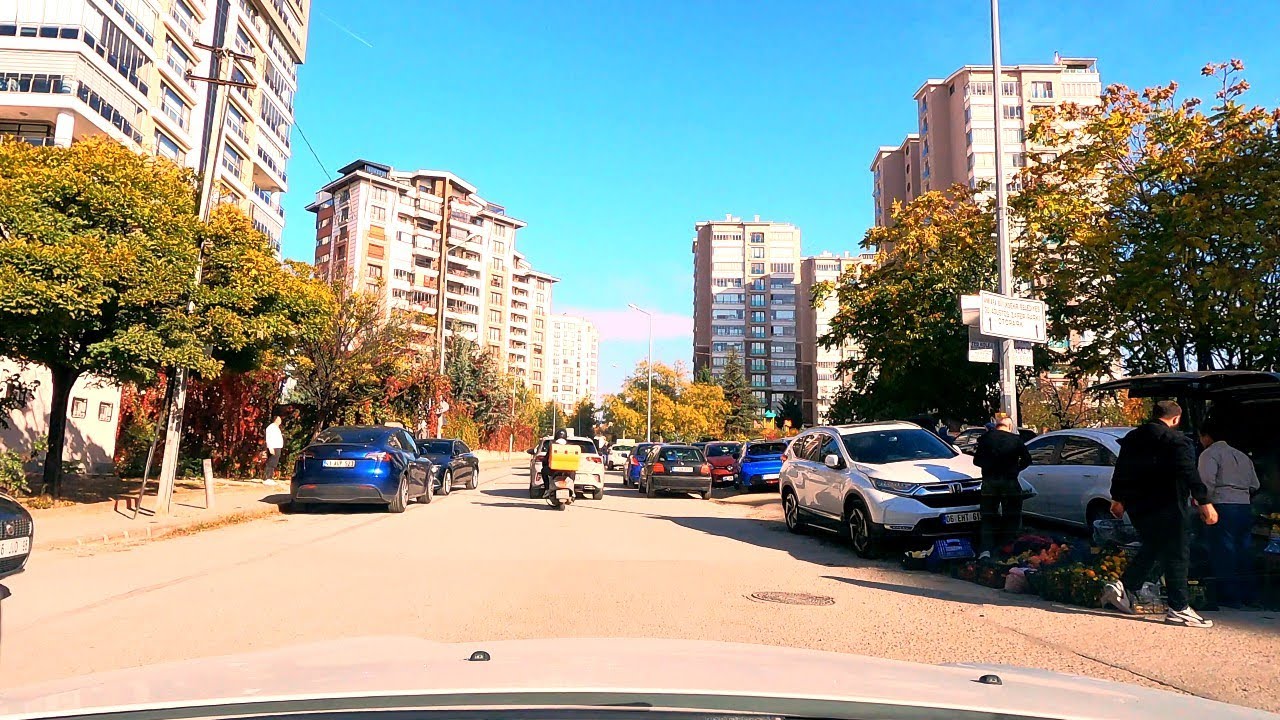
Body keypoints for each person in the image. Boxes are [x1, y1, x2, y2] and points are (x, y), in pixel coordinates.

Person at [1101, 400, 1215, 628]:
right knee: (1177, 553)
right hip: (1169, 503)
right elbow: (1188, 472)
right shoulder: (1178, 441)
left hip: (1138, 506)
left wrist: (1118, 498)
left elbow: (1122, 469)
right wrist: (1204, 502)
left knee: (1154, 545)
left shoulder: (1132, 438)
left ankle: (1126, 585)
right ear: (1176, 419)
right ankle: (1179, 608)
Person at [1197, 420, 1260, 608]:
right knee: (1244, 550)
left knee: (1224, 551)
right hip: (1244, 506)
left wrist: (1202, 506)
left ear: (1206, 436)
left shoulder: (1209, 454)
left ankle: (1230, 596)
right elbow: (1255, 485)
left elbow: (1205, 483)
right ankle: (1249, 595)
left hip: (1221, 505)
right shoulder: (1241, 456)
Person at [972, 416, 1032, 559]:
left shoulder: (985, 439)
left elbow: (976, 460)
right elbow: (1027, 460)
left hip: (989, 482)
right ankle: (1007, 550)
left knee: (988, 516)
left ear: (997, 426)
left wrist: (989, 467)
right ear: (1010, 427)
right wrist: (1015, 469)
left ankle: (985, 551)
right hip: (1010, 482)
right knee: (1011, 516)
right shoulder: (1016, 440)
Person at [541, 429, 569, 497]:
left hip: (554, 470)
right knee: (573, 473)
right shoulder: (569, 446)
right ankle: (573, 492)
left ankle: (547, 489)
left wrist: (544, 461)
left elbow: (547, 458)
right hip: (568, 471)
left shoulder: (553, 446)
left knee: (543, 471)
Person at [263, 415, 284, 486]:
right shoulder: (271, 427)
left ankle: (270, 477)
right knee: (271, 462)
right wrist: (270, 447)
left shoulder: (276, 428)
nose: (280, 421)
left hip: (277, 447)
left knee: (274, 462)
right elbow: (268, 438)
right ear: (276, 420)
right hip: (273, 447)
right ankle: (267, 478)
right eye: (279, 419)